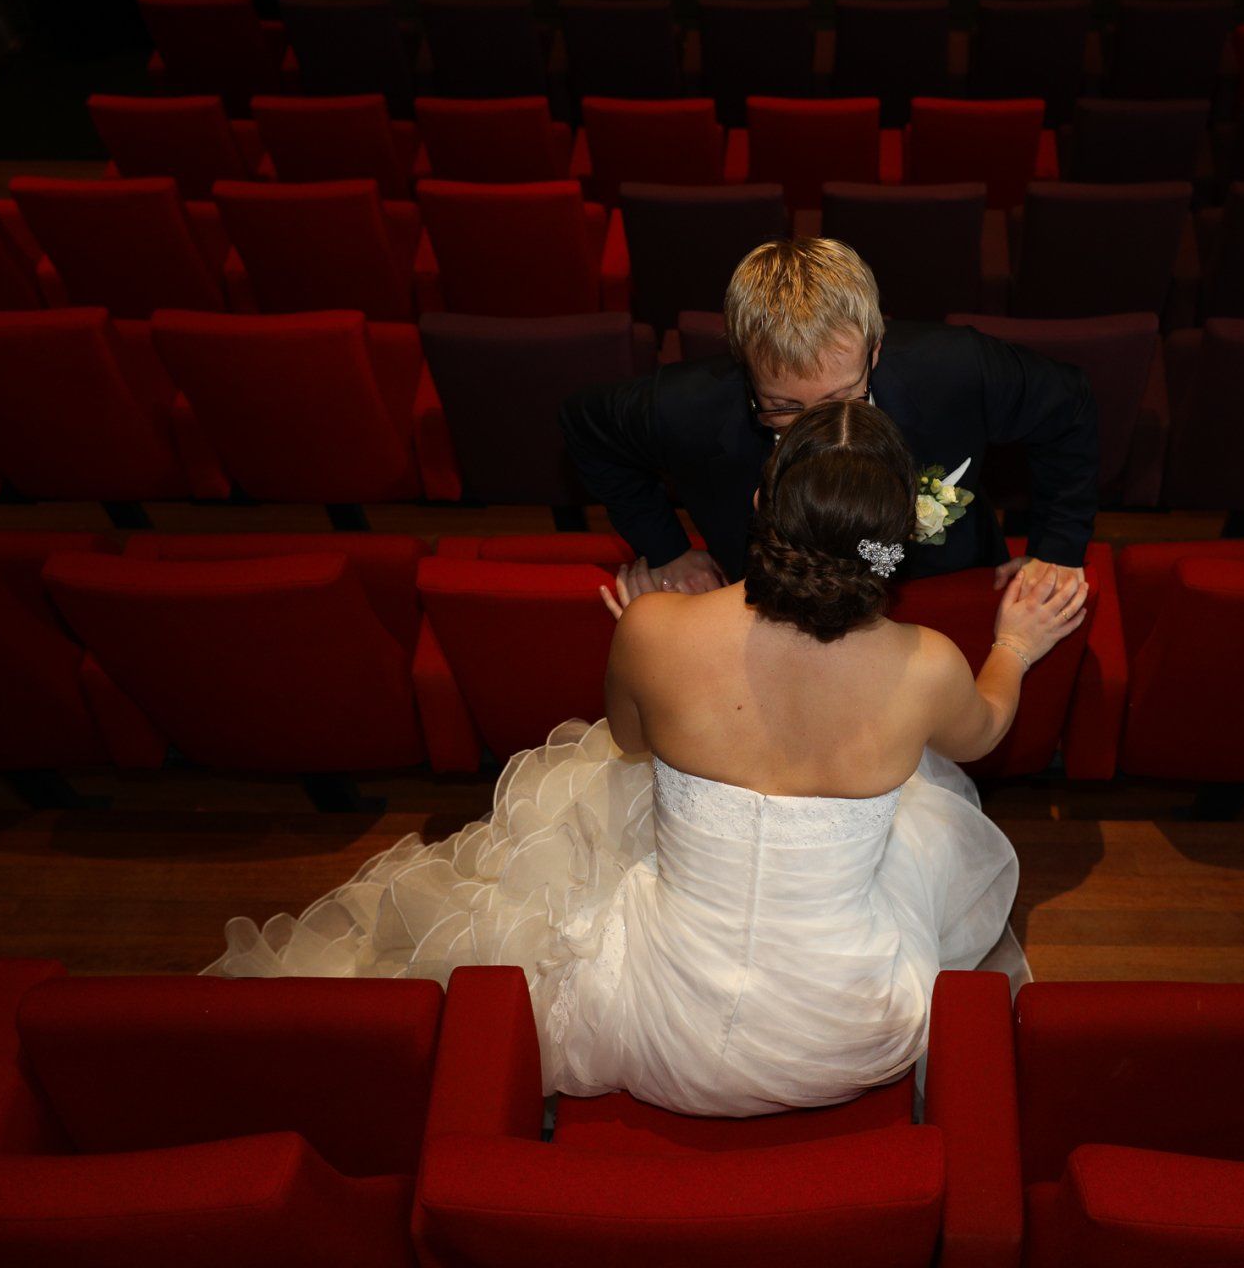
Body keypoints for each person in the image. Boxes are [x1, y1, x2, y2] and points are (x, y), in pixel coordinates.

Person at [205, 401, 1088, 1117]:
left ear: (759, 507)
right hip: (857, 1033)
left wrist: (648, 641)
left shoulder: (655, 629)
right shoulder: (929, 664)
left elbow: (629, 744)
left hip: (652, 1025)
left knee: (604, 796)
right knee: (927, 796)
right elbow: (982, 734)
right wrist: (1014, 645)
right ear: (896, 539)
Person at [560, 236, 1098, 604]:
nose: (819, 433)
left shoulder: (958, 369)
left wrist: (1057, 547)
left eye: (842, 398)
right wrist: (667, 548)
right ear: (745, 369)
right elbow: (585, 428)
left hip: (940, 587)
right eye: (785, 408)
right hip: (778, 608)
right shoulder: (685, 406)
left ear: (875, 350)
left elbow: (1069, 405)